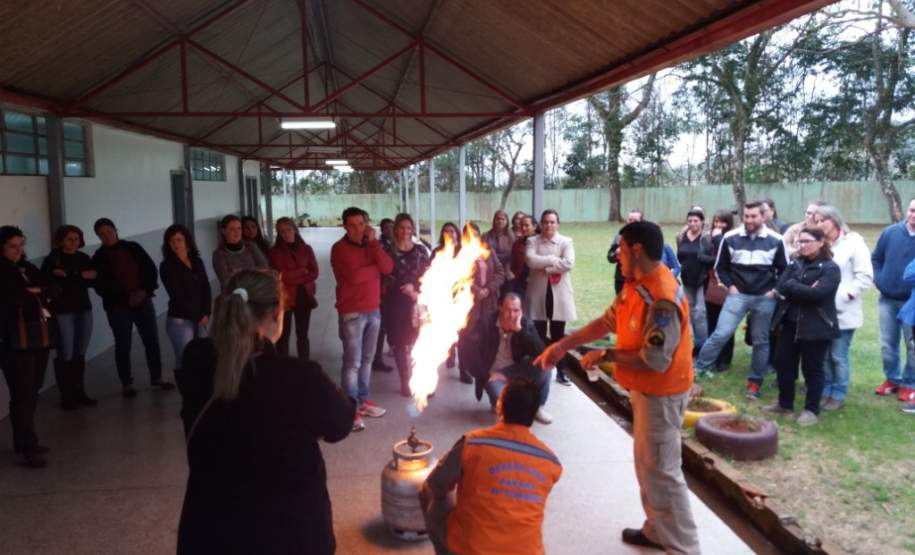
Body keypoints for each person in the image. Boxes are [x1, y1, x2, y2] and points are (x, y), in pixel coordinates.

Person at [534, 220, 699, 554]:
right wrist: (564, 345)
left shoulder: (662, 297)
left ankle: (685, 547)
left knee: (664, 471)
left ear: (636, 250)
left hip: (663, 394)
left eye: (621, 249)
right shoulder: (636, 285)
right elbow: (608, 321)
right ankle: (656, 529)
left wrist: (606, 354)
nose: (617, 256)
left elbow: (654, 360)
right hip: (646, 392)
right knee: (647, 465)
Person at [176, 270, 355, 554]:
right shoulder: (299, 376)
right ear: (276, 313)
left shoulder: (196, 360)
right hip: (287, 533)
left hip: (208, 530)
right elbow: (341, 423)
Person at [419, 378, 562, 555]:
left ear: (499, 406)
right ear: (533, 415)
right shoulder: (551, 461)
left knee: (426, 492)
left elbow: (436, 484)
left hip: (471, 548)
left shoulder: (473, 443)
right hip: (528, 551)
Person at [694, 202, 787, 398]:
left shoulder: (776, 240)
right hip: (738, 295)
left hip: (764, 298)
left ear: (763, 217)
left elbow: (785, 270)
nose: (749, 220)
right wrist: (731, 287)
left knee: (761, 340)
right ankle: (698, 370)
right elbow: (720, 267)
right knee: (721, 334)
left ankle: (755, 383)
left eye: (754, 216)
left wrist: (775, 291)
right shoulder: (730, 238)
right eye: (746, 216)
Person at [763, 227, 840, 427]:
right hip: (789, 322)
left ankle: (811, 410)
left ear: (821, 241)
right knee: (783, 363)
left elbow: (818, 295)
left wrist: (794, 287)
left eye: (806, 241)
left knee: (812, 369)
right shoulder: (795, 262)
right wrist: (802, 288)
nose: (802, 245)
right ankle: (785, 403)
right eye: (800, 242)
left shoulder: (830, 268)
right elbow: (781, 286)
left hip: (816, 325)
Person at [92, 218, 173, 397]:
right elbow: (101, 285)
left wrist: (144, 291)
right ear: (98, 236)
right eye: (102, 234)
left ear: (115, 229)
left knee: (151, 340)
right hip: (118, 306)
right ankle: (126, 383)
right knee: (123, 344)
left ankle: (157, 377)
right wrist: (126, 296)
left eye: (109, 231)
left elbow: (150, 269)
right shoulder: (98, 257)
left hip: (143, 300)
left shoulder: (133, 247)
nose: (107, 235)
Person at [330, 207, 393, 431]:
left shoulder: (373, 246)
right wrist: (374, 270)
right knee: (352, 363)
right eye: (352, 225)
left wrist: (374, 245)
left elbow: (387, 267)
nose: (358, 229)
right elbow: (355, 277)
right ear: (345, 226)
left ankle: (362, 400)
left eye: (361, 224)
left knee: (367, 360)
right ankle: (350, 410)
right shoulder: (339, 249)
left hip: (373, 309)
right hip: (352, 313)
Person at [0, 226, 53, 468]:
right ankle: (27, 446)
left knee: (32, 390)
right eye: (12, 245)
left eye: (21, 245)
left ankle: (25, 440)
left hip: (35, 336)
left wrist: (34, 292)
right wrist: (32, 293)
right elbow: (12, 299)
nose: (18, 250)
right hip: (12, 341)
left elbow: (48, 287)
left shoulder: (25, 266)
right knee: (22, 393)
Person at [813, 205, 873, 410]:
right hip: (820, 309)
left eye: (822, 220)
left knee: (838, 354)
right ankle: (826, 389)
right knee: (823, 353)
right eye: (816, 221)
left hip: (843, 310)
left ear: (835, 221)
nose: (819, 224)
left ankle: (839, 392)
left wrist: (846, 294)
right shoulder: (820, 244)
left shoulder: (853, 243)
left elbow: (864, 276)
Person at [464, 292, 552, 423]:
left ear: (521, 310)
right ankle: (501, 405)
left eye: (516, 310)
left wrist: (519, 330)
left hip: (517, 372)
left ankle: (537, 408)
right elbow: (469, 353)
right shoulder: (486, 323)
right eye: (507, 310)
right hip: (493, 376)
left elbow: (541, 353)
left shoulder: (525, 324)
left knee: (546, 366)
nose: (511, 315)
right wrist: (485, 375)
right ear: (500, 308)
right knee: (506, 409)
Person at [42, 225, 97, 409]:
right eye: (69, 239)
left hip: (84, 308)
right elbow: (49, 281)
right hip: (63, 310)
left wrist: (71, 275)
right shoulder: (53, 259)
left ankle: (79, 392)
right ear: (61, 240)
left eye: (77, 239)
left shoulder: (83, 258)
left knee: (80, 351)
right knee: (65, 352)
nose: (74, 242)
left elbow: (93, 278)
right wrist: (80, 277)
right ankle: (67, 396)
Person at [381, 213, 430, 397]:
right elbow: (383, 276)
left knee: (420, 342)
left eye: (408, 228)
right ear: (395, 230)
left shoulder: (420, 250)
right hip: (395, 303)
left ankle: (423, 382)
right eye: (401, 228)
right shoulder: (387, 251)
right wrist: (401, 286)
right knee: (400, 344)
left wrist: (415, 288)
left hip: (417, 301)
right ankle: (406, 382)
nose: (405, 231)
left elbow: (429, 274)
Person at [871, 197, 915, 402]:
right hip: (887, 299)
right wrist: (880, 280)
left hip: (912, 303)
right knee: (888, 344)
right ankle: (892, 380)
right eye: (912, 210)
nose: (914, 215)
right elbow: (876, 258)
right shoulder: (890, 233)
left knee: (912, 346)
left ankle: (909, 383)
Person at [526, 209, 576, 386]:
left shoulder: (566, 241)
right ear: (541, 224)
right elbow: (531, 261)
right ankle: (539, 369)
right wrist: (552, 259)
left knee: (558, 335)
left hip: (559, 295)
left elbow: (569, 263)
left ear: (558, 224)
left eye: (552, 222)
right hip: (538, 293)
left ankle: (561, 370)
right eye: (546, 222)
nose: (549, 225)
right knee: (538, 334)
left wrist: (546, 268)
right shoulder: (532, 241)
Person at [160, 225, 212, 391]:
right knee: (184, 357)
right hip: (180, 320)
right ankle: (187, 393)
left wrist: (206, 312)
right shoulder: (167, 266)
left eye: (179, 240)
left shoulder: (197, 261)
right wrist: (198, 316)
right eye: (171, 241)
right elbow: (177, 296)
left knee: (202, 355)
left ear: (187, 241)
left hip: (200, 317)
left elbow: (206, 288)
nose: (175, 244)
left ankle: (200, 389)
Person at [269, 217, 318, 360]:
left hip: (304, 296)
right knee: (284, 336)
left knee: (303, 335)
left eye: (288, 230)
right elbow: (282, 276)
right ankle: (284, 367)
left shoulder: (306, 249)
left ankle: (304, 365)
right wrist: (303, 271)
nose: (286, 234)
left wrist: (294, 276)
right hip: (285, 298)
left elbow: (314, 272)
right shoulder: (275, 252)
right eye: (281, 231)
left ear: (295, 230)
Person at [609, 209, 679, 293]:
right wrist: (616, 254)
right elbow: (610, 256)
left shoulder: (647, 239)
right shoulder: (619, 237)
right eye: (630, 220)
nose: (632, 222)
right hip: (622, 281)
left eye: (635, 220)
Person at [701, 210, 735, 371]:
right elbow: (702, 257)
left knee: (726, 326)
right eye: (716, 222)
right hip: (712, 286)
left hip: (727, 287)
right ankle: (712, 358)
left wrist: (718, 238)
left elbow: (729, 259)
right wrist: (716, 260)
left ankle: (725, 360)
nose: (719, 225)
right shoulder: (708, 240)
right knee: (712, 324)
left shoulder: (732, 239)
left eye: (722, 222)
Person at [676, 209, 711, 350]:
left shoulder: (706, 238)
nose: (692, 224)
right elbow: (680, 256)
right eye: (690, 221)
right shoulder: (681, 237)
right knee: (688, 312)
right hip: (687, 279)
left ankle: (703, 345)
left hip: (702, 279)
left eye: (696, 221)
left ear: (702, 222)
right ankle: (695, 343)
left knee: (700, 313)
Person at [213, 214, 269, 290]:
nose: (237, 232)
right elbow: (226, 282)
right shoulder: (219, 254)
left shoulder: (251, 246)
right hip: (233, 297)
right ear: (223, 231)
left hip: (256, 293)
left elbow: (264, 268)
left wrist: (236, 272)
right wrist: (253, 270)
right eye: (232, 229)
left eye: (239, 228)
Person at [373, 218, 396, 373]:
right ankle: (377, 358)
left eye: (391, 227)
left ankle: (394, 347)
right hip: (383, 291)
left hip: (398, 291)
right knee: (381, 326)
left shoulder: (398, 244)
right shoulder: (380, 246)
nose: (389, 230)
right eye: (386, 228)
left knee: (393, 323)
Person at [510, 214, 536, 297]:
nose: (523, 228)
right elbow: (513, 264)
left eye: (527, 225)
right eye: (522, 225)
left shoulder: (541, 243)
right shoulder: (517, 244)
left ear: (534, 226)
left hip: (536, 283)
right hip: (520, 283)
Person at [482, 209, 514, 277]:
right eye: (498, 219)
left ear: (507, 221)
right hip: (490, 269)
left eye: (503, 219)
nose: (500, 221)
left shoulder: (511, 236)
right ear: (494, 220)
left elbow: (513, 255)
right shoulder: (486, 236)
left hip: (507, 269)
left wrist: (508, 269)